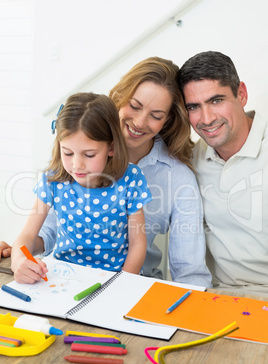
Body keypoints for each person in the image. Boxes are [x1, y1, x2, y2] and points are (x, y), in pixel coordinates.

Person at [1, 57, 212, 288]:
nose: (140, 122)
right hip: (61, 279)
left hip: (129, 283)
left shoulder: (172, 178)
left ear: (168, 119)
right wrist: (19, 256)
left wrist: (120, 285)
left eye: (156, 115)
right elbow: (47, 232)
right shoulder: (70, 159)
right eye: (134, 105)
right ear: (120, 97)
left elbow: (186, 271)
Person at [11, 92, 152, 283]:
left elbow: (138, 245)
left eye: (89, 154)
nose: (77, 165)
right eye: (68, 153)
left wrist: (121, 284)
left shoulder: (130, 179)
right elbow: (27, 235)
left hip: (116, 279)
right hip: (63, 277)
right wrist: (18, 261)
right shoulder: (53, 178)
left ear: (111, 148)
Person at [177, 50, 268, 294]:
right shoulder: (191, 159)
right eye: (194, 107)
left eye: (216, 100)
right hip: (216, 296)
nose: (206, 118)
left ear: (242, 94)